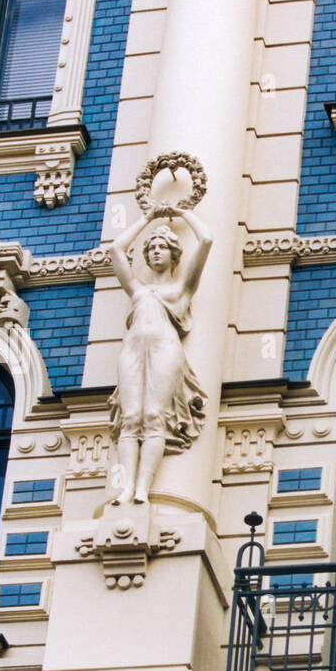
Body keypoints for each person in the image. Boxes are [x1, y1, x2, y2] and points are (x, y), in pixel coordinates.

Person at [108, 204, 212, 506]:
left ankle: (142, 488)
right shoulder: (137, 289)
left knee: (155, 416)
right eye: (150, 248)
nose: (155, 252)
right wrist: (148, 218)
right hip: (132, 351)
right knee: (130, 418)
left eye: (161, 247)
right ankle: (126, 488)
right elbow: (116, 248)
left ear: (174, 254)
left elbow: (206, 240)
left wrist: (181, 212)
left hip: (165, 349)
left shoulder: (181, 288)